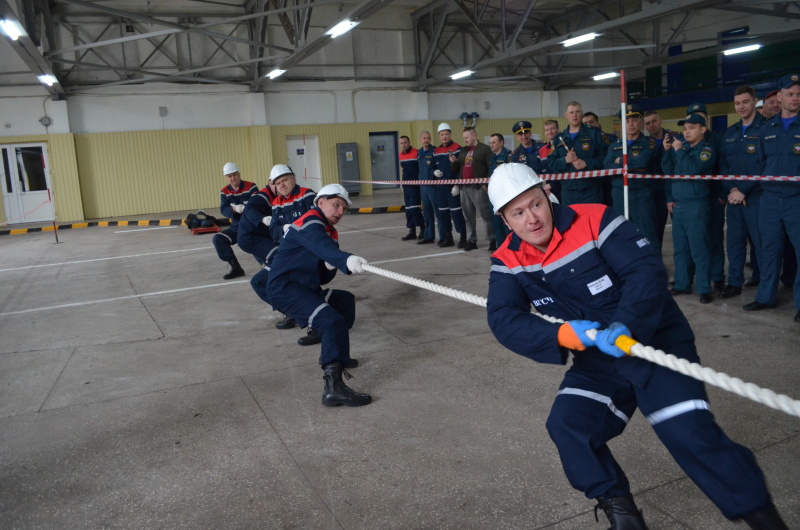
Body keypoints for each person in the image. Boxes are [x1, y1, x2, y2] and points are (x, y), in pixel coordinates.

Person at [485, 162, 787, 530]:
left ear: (548, 195)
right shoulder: (508, 258)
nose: (530, 219)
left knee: (689, 435)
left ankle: (764, 519)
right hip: (599, 356)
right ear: (505, 219)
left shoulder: (595, 219)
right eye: (517, 212)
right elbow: (502, 317)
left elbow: (644, 272)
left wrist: (626, 326)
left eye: (535, 204)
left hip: (654, 342)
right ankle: (624, 516)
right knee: (569, 425)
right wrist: (560, 336)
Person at [266, 183, 372, 407]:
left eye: (343, 208)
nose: (340, 212)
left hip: (305, 287)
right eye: (336, 205)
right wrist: (343, 260)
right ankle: (333, 388)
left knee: (343, 301)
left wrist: (330, 265)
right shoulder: (311, 220)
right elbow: (320, 244)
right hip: (286, 288)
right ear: (320, 202)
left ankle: (334, 351)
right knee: (330, 320)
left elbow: (323, 276)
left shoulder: (328, 231)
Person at [744, 73, 800, 324]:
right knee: (769, 250)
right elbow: (762, 163)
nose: (795, 98)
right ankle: (766, 297)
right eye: (789, 94)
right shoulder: (767, 128)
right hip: (769, 199)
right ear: (779, 97)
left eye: (798, 94)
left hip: (796, 199)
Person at [255, 164, 319, 342]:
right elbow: (274, 232)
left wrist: (298, 229)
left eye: (285, 180)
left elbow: (318, 223)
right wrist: (283, 228)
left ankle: (317, 325)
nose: (282, 185)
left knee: (303, 285)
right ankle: (295, 312)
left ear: (294, 179)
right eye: (278, 182)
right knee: (260, 282)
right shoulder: (276, 203)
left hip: (307, 254)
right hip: (286, 255)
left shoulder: (308, 195)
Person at [662, 114, 717, 304]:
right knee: (681, 249)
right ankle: (682, 284)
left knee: (699, 250)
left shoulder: (706, 150)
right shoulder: (682, 149)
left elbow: (693, 169)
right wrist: (668, 152)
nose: (686, 131)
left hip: (696, 205)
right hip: (680, 205)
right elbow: (668, 171)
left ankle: (704, 288)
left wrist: (678, 151)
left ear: (703, 129)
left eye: (691, 128)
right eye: (685, 128)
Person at [720, 86, 766, 299]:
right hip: (734, 197)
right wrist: (733, 189)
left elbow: (765, 165)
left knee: (762, 243)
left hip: (757, 197)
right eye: (737, 103)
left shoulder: (766, 129)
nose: (741, 107)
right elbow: (723, 165)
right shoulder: (731, 132)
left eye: (745, 102)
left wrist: (744, 190)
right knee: (734, 242)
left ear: (754, 102)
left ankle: (765, 284)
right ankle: (735, 282)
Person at [603, 104, 661, 254]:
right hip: (619, 194)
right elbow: (607, 166)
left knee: (647, 234)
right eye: (627, 121)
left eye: (634, 120)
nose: (631, 124)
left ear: (641, 122)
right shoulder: (615, 145)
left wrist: (619, 162)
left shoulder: (649, 143)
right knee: (622, 234)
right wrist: (622, 163)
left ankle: (653, 272)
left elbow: (642, 162)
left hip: (641, 194)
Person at [685, 103, 727, 292]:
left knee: (715, 238)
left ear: (706, 121)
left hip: (714, 196)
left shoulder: (718, 140)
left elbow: (726, 167)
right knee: (693, 242)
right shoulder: (687, 143)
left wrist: (723, 195)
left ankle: (717, 277)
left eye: (701, 117)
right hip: (694, 198)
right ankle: (691, 278)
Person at [548, 101, 609, 206]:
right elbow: (551, 163)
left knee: (594, 221)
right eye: (571, 112)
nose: (574, 115)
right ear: (566, 115)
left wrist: (586, 163)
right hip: (568, 191)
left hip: (591, 189)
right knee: (571, 221)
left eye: (577, 112)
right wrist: (565, 160)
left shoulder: (595, 133)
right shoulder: (559, 138)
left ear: (582, 114)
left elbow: (606, 158)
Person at [449, 127, 495, 251]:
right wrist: (453, 162)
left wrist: (486, 184)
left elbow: (490, 167)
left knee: (485, 214)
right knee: (468, 216)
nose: (465, 140)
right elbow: (457, 169)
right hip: (465, 188)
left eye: (467, 137)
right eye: (464, 138)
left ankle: (492, 239)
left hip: (479, 187)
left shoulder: (485, 149)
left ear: (474, 136)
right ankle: (472, 240)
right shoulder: (463, 151)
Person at [212, 162, 258, 280]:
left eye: (234, 175)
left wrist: (246, 208)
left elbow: (258, 204)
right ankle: (236, 267)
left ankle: (269, 265)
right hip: (236, 227)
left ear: (239, 174)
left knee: (255, 243)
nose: (233, 178)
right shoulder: (224, 191)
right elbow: (224, 210)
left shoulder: (251, 187)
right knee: (218, 239)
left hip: (252, 226)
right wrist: (234, 209)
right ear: (226, 177)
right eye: (229, 176)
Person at [433, 123, 467, 248]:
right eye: (442, 134)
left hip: (453, 188)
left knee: (457, 214)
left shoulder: (458, 148)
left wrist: (457, 184)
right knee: (443, 215)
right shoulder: (436, 151)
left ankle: (463, 237)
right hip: (440, 189)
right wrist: (434, 172)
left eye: (446, 134)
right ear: (439, 136)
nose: (444, 137)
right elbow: (432, 166)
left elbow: (461, 168)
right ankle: (448, 237)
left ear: (450, 134)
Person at [643, 110, 671, 248]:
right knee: (655, 230)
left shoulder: (674, 139)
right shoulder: (645, 143)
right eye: (648, 123)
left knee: (680, 231)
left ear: (660, 121)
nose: (652, 125)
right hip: (654, 192)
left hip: (672, 190)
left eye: (654, 121)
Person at [398, 136, 425, 241]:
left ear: (409, 142)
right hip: (406, 186)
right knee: (408, 209)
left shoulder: (417, 153)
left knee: (414, 208)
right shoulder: (401, 155)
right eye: (401, 143)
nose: (403, 145)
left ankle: (423, 228)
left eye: (405, 142)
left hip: (415, 186)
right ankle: (412, 231)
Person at [488, 133, 512, 243]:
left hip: (505, 194)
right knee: (496, 223)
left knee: (507, 223)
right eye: (490, 143)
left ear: (501, 143)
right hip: (494, 194)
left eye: (494, 142)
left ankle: (510, 247)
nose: (491, 145)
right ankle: (501, 248)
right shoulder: (491, 157)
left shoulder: (508, 156)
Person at [416, 131, 437, 245]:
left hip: (433, 186)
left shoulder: (435, 151)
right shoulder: (419, 152)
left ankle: (444, 237)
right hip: (423, 187)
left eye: (428, 138)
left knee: (438, 213)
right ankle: (429, 236)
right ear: (420, 139)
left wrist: (434, 173)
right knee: (427, 213)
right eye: (424, 138)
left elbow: (437, 166)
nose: (426, 140)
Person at [537, 119, 562, 202]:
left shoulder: (563, 147)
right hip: (549, 191)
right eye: (547, 130)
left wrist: (552, 185)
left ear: (558, 129)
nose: (550, 132)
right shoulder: (542, 150)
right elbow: (542, 172)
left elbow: (564, 169)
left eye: (552, 128)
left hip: (563, 188)